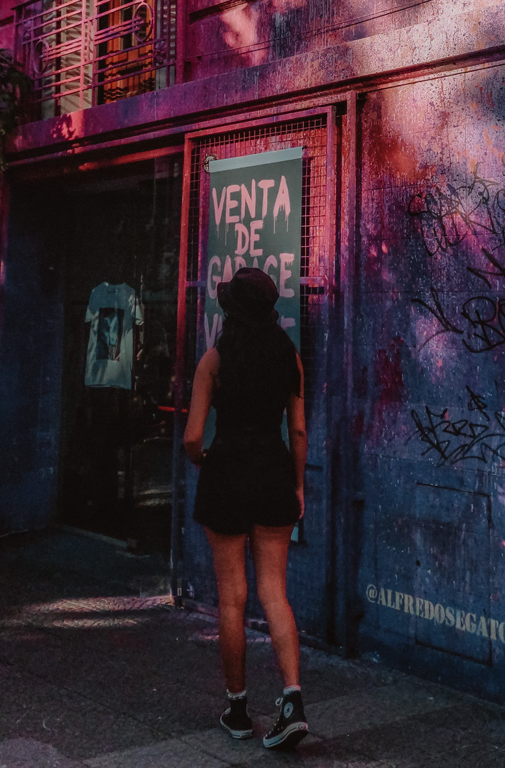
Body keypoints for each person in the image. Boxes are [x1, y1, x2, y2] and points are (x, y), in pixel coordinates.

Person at [183, 267, 309, 750]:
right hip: (274, 473)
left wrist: (204, 460)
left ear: (231, 310)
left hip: (227, 475)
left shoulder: (213, 360)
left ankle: (237, 709)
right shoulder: (289, 357)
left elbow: (194, 436)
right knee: (274, 593)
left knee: (232, 598)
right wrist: (297, 487)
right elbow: (297, 432)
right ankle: (292, 701)